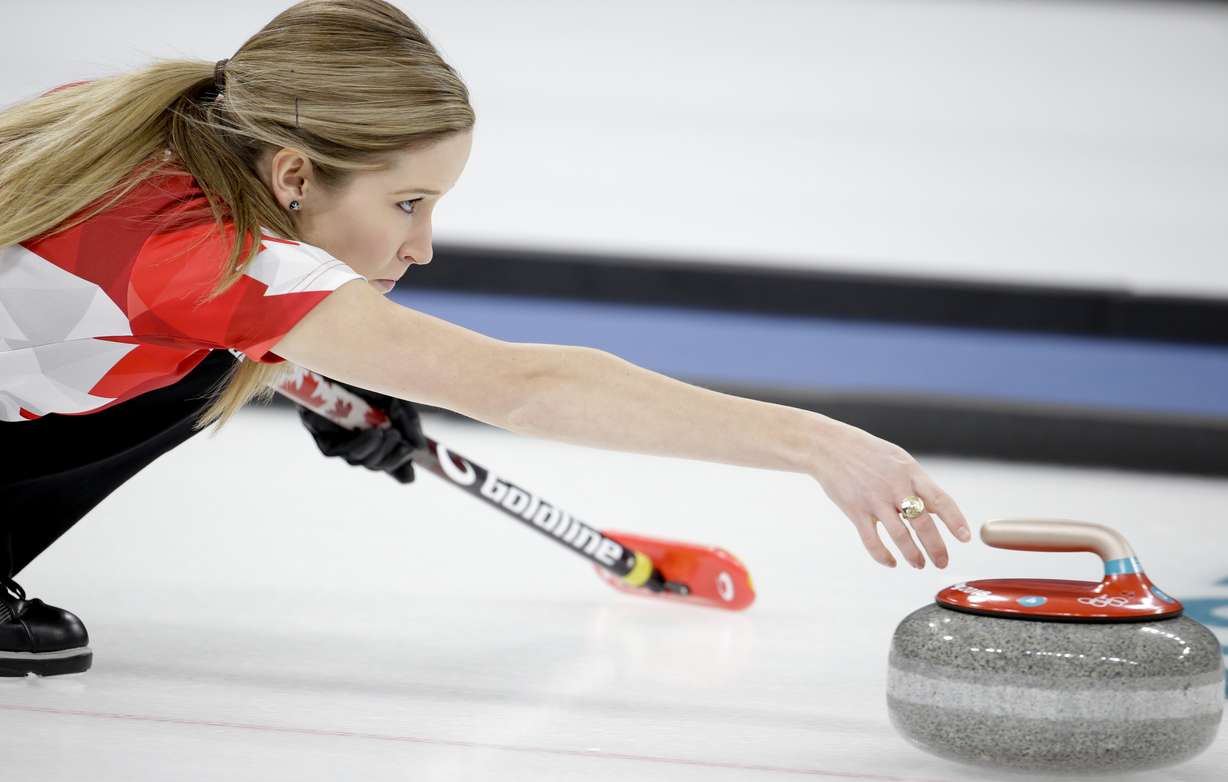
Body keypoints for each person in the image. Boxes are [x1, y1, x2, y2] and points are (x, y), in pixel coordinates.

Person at [0, 0, 971, 678]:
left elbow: (139, 307)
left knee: (214, 362)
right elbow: (525, 386)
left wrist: (312, 357)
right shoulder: (213, 260)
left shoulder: (147, 131)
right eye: (408, 203)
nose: (419, 245)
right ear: (292, 174)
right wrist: (818, 441)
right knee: (216, 363)